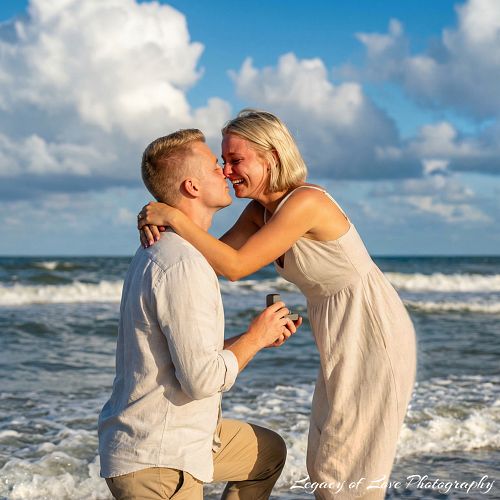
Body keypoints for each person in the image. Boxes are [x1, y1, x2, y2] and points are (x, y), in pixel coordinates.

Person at [137, 110, 417, 499]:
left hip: (371, 327)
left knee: (346, 464)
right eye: (224, 161)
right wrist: (159, 223)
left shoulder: (306, 202)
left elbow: (235, 267)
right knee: (325, 458)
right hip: (336, 329)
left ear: (271, 156)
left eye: (237, 160)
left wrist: (174, 218)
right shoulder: (260, 212)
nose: (228, 171)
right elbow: (206, 263)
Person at [98, 128, 302, 500]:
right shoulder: (182, 265)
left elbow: (183, 358)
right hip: (160, 461)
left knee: (267, 453)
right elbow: (202, 380)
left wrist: (256, 338)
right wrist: (254, 337)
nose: (225, 171)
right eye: (214, 166)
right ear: (191, 187)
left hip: (176, 439)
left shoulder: (166, 250)